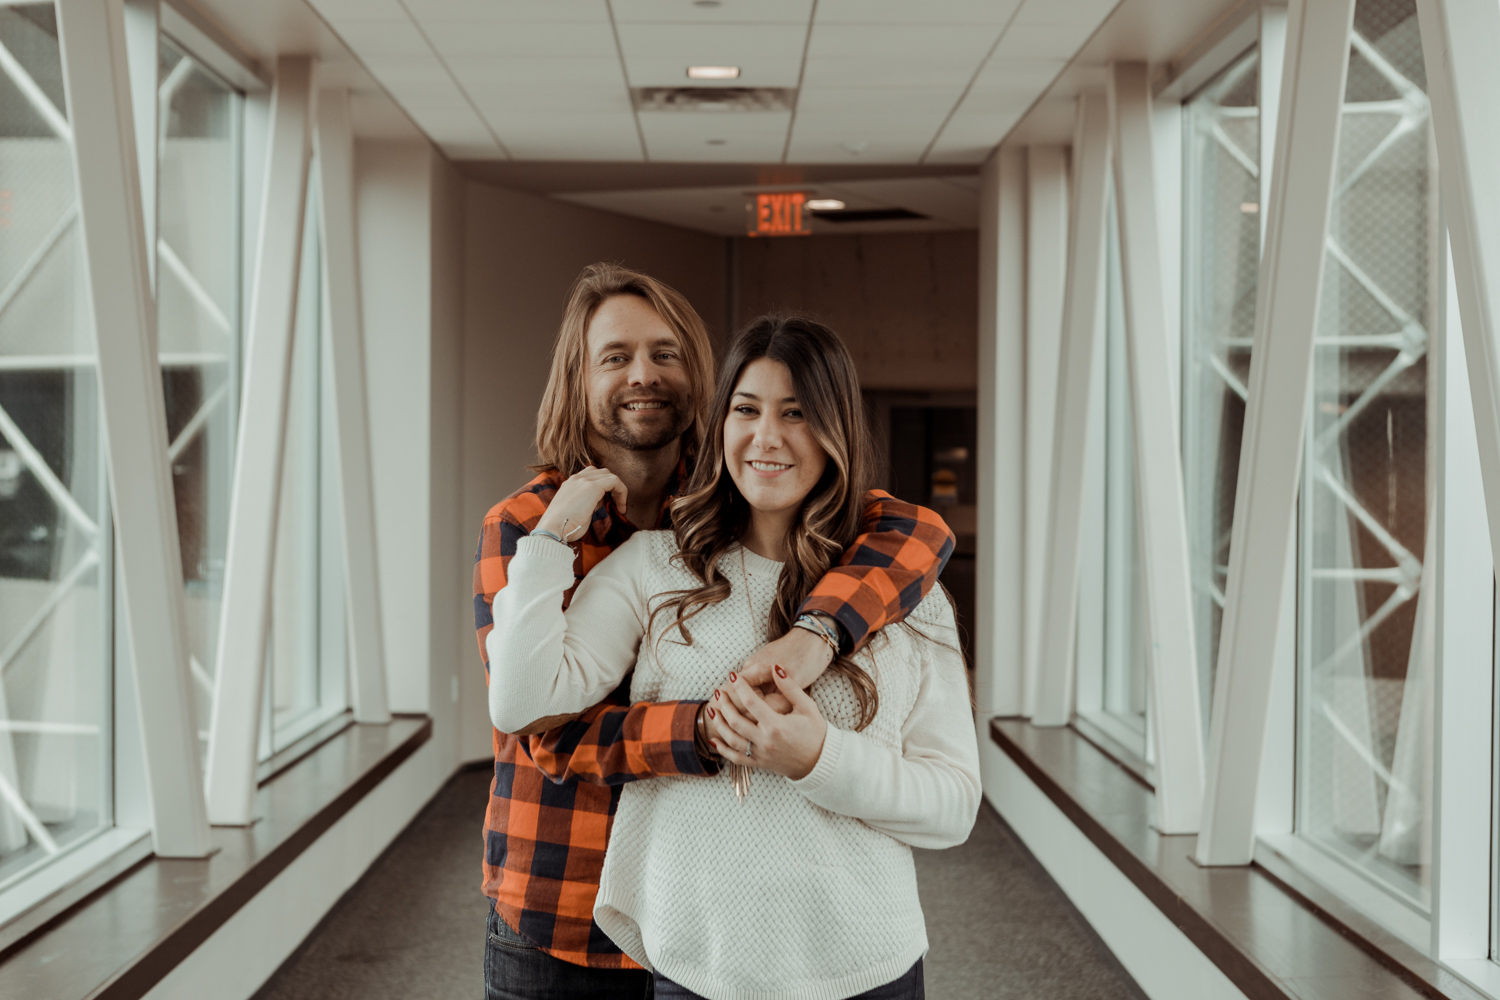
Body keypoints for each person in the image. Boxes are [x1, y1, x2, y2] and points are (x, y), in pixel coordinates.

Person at [473, 265, 956, 1000]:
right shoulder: (533, 529)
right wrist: (709, 729)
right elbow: (543, 727)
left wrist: (815, 636)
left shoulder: (715, 512)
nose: (644, 375)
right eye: (616, 357)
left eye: (666, 354)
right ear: (576, 377)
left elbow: (920, 529)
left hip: (711, 929)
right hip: (563, 907)